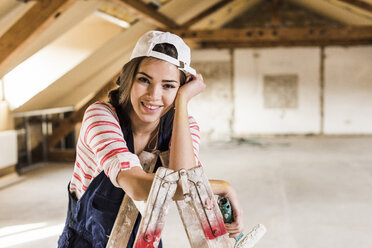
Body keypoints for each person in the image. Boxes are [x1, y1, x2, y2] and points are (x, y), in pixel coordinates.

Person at [58, 30, 244, 248]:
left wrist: (182, 101)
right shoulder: (100, 116)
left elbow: (186, 184)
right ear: (128, 79)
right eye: (144, 80)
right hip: (86, 241)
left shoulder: (185, 126)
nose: (154, 95)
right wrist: (222, 186)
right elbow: (136, 185)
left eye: (169, 85)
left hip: (145, 237)